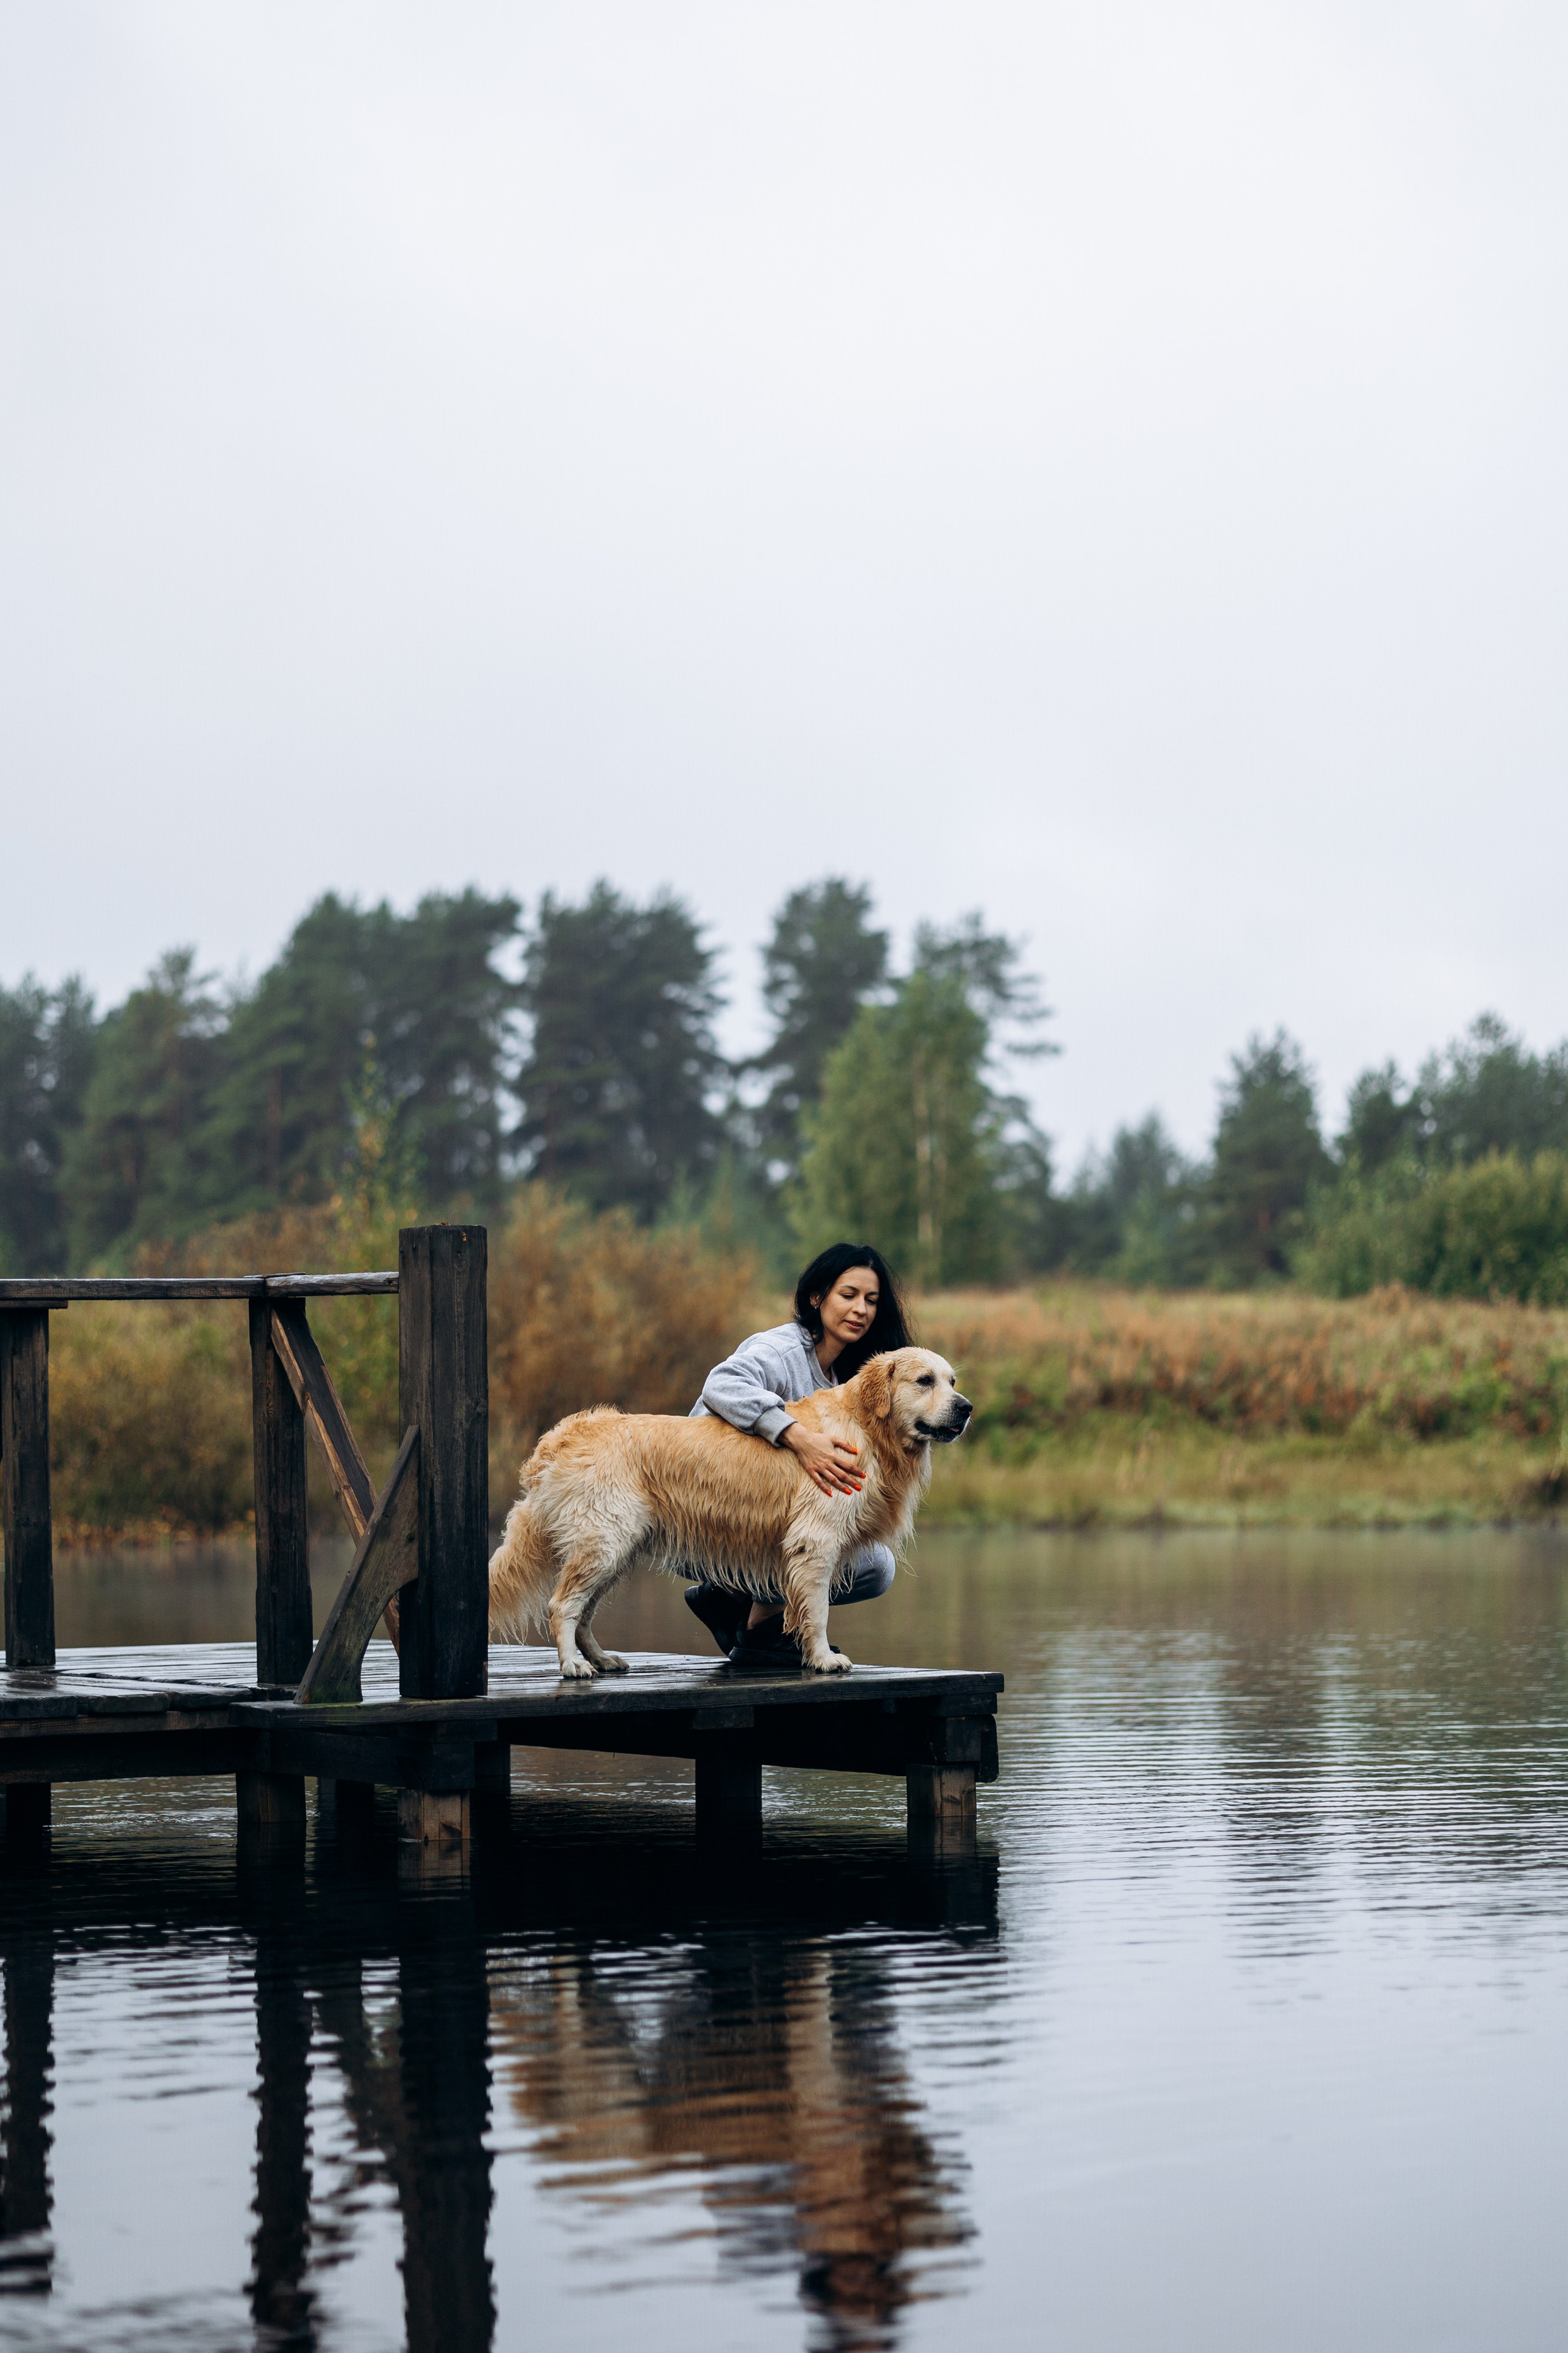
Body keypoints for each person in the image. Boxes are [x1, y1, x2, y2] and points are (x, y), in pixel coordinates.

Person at [684, 1241, 914, 1669]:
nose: (861, 1309)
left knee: (876, 1565)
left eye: (871, 1300)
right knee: (820, 1542)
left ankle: (734, 1601)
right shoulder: (783, 1350)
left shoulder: (850, 1375)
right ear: (817, 1297)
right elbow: (721, 1383)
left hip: (778, 1521)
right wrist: (795, 1435)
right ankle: (762, 1629)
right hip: (706, 1508)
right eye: (848, 1295)